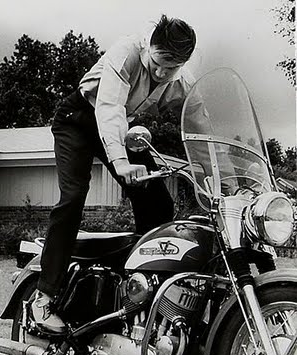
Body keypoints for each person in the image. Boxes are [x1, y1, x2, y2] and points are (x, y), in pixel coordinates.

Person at [32, 14, 197, 333]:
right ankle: (44, 296)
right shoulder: (126, 52)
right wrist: (121, 163)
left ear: (183, 63)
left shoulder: (182, 81)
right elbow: (109, 109)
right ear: (150, 47)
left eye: (172, 68)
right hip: (77, 120)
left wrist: (221, 179)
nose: (163, 73)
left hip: (119, 129)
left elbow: (201, 124)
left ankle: (141, 289)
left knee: (158, 202)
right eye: (159, 62)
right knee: (74, 196)